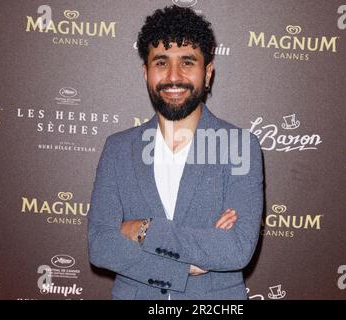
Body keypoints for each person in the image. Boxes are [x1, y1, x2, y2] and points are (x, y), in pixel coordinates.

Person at [87, 5, 264, 300]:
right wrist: (182, 268)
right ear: (146, 72)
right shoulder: (118, 148)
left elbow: (236, 249)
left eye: (187, 62)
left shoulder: (240, 145)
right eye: (161, 63)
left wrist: (143, 229)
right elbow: (101, 245)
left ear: (207, 73)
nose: (173, 76)